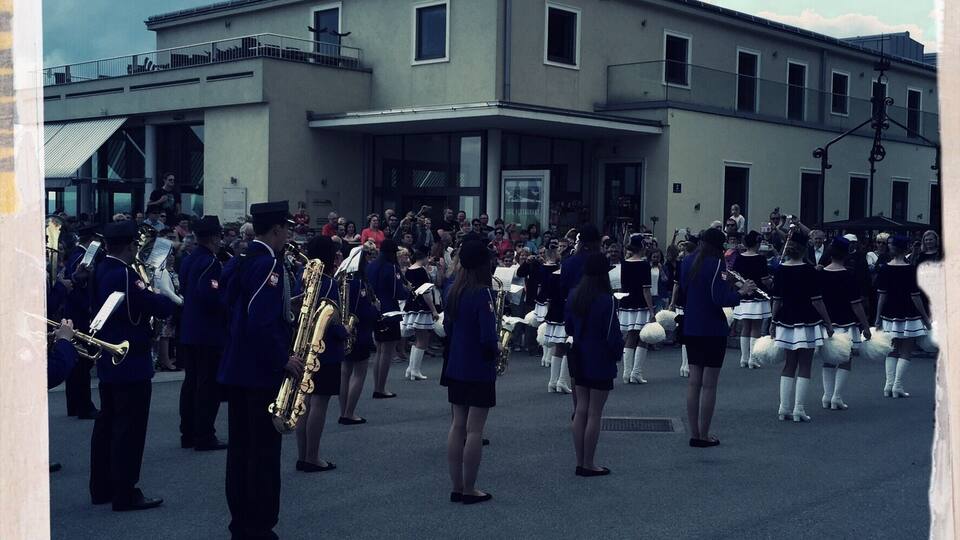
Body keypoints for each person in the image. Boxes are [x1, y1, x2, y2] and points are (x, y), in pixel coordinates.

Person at [218, 201, 304, 538]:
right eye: (288, 229)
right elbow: (261, 321)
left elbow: (233, 304)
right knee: (263, 453)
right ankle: (260, 524)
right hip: (259, 372)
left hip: (237, 368)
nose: (289, 235)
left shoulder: (242, 259)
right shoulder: (269, 263)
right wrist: (283, 357)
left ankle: (241, 521)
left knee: (240, 450)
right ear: (277, 229)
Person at [90, 219, 177, 511]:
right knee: (129, 429)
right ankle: (125, 491)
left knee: (107, 424)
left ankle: (101, 486)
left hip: (109, 359)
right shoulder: (126, 274)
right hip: (131, 358)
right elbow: (153, 305)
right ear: (129, 246)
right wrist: (168, 297)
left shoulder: (102, 268)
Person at [679, 228, 755, 446]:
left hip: (692, 325)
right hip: (712, 327)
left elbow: (690, 289)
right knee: (709, 385)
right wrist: (742, 291)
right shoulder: (716, 264)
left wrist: (726, 282)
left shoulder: (687, 261)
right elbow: (719, 298)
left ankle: (694, 433)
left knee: (694, 382)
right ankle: (704, 434)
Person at [442, 240, 498, 504]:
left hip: (456, 364)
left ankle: (456, 485)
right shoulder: (483, 293)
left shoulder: (452, 290)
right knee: (475, 430)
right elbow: (488, 337)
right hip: (478, 366)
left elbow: (449, 330)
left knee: (457, 426)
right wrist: (497, 348)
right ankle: (470, 488)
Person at [566, 253, 623, 475]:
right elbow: (612, 334)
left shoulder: (574, 295)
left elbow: (569, 327)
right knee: (595, 412)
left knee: (580, 409)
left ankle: (580, 460)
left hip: (579, 354)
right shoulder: (606, 299)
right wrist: (616, 353)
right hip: (599, 357)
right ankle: (589, 462)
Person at [770, 231, 834, 422]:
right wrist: (828, 322)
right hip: (807, 320)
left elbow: (777, 300)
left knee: (789, 364)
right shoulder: (809, 270)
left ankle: (783, 408)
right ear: (805, 248)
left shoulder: (780, 269)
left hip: (786, 319)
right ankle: (798, 409)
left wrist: (773, 322)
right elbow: (817, 301)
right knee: (805, 365)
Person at [296, 236, 348, 473]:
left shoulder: (303, 277)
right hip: (324, 350)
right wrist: (344, 331)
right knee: (319, 403)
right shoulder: (328, 283)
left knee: (305, 401)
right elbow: (330, 320)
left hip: (303, 347)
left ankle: (303, 454)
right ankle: (313, 456)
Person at [177, 216, 228, 451]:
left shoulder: (188, 259)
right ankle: (204, 434)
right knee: (207, 386)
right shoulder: (211, 263)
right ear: (214, 237)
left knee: (191, 382)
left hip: (189, 328)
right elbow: (210, 296)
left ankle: (188, 431)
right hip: (207, 331)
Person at [875, 235, 932, 399]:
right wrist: (926, 319)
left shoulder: (885, 268)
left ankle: (888, 384)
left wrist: (878, 317)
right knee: (907, 349)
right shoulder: (911, 269)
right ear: (905, 249)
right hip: (908, 313)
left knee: (892, 348)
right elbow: (915, 296)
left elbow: (882, 296)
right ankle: (897, 385)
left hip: (889, 313)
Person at [819, 238, 872, 410]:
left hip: (826, 323)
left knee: (828, 359)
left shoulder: (820, 274)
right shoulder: (849, 275)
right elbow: (856, 304)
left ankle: (827, 396)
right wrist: (865, 326)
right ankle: (836, 397)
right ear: (846, 254)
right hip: (846, 321)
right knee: (845, 359)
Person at [339, 244, 380, 425]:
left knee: (345, 372)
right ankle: (349, 412)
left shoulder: (343, 279)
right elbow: (362, 311)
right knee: (359, 372)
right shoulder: (359, 282)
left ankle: (344, 410)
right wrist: (376, 310)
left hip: (345, 330)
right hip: (359, 331)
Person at [62, 224, 99, 419]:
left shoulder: (75, 254)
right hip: (79, 315)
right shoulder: (83, 258)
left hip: (72, 315)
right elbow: (78, 289)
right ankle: (84, 406)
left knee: (76, 362)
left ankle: (73, 405)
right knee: (83, 362)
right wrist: (88, 307)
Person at [366, 239, 409, 398]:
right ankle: (380, 388)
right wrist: (407, 291)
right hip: (389, 310)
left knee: (379, 350)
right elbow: (397, 292)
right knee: (387, 351)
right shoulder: (391, 267)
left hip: (375, 309)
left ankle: (378, 386)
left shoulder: (371, 266)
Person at [731, 231, 771, 369]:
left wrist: (743, 287)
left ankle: (744, 357)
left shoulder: (739, 258)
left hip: (744, 297)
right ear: (757, 243)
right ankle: (752, 358)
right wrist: (772, 280)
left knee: (745, 326)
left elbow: (734, 277)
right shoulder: (760, 259)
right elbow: (765, 280)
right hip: (758, 296)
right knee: (756, 327)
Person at [619, 234, 655, 384]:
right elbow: (646, 290)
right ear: (641, 247)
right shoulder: (644, 265)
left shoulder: (624, 263)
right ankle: (636, 372)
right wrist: (652, 310)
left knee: (630, 336)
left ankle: (627, 373)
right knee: (644, 337)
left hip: (626, 303)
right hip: (640, 304)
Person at [402, 247, 441, 381]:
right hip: (422, 306)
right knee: (423, 340)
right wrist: (434, 310)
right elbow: (426, 292)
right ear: (424, 257)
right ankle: (415, 370)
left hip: (411, 304)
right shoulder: (421, 271)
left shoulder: (409, 270)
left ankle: (411, 368)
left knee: (418, 338)